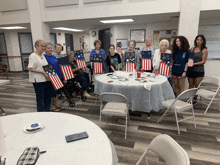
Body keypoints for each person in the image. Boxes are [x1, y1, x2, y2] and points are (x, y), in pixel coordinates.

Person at [28, 39, 52, 112]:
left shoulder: (42, 55)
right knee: (40, 99)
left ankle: (47, 112)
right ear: (36, 46)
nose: (43, 48)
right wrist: (43, 72)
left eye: (44, 46)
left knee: (47, 98)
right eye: (42, 46)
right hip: (38, 81)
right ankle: (40, 114)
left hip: (46, 80)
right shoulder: (33, 56)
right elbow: (30, 68)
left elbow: (45, 66)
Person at [188, 34, 208, 105]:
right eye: (198, 40)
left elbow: (203, 61)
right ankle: (190, 97)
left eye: (200, 40)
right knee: (190, 85)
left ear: (203, 41)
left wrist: (194, 64)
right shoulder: (192, 49)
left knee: (196, 85)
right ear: (195, 40)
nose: (199, 41)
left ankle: (195, 99)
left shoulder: (204, 50)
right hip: (190, 69)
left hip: (199, 70)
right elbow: (189, 58)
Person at [44, 42, 64, 112]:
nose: (50, 49)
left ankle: (56, 104)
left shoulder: (54, 56)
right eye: (48, 48)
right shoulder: (44, 57)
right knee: (52, 93)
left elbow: (58, 66)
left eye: (51, 48)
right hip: (52, 77)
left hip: (59, 76)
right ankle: (51, 106)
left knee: (57, 93)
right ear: (45, 49)